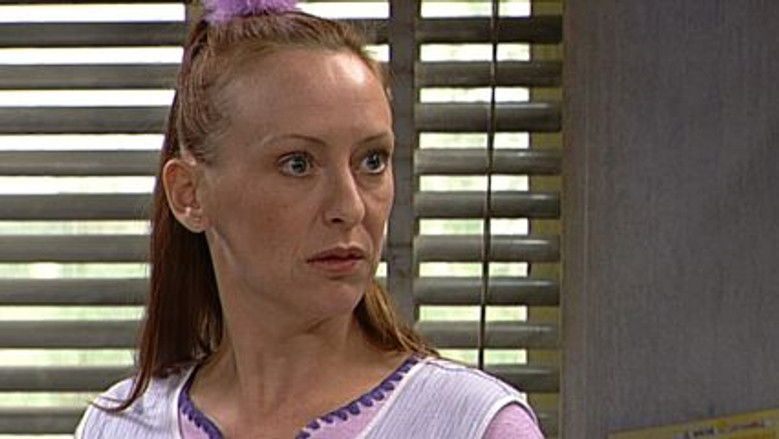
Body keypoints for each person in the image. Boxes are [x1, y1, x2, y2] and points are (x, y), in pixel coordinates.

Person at [75, 0, 544, 437]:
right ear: (189, 195)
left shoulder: (473, 425)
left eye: (372, 161)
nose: (350, 207)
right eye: (298, 164)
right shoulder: (119, 426)